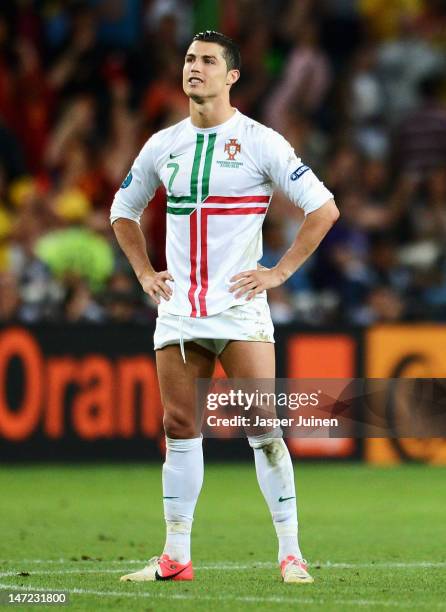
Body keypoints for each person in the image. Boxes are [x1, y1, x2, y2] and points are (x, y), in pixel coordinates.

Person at [110, 31, 339, 584]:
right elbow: (123, 209)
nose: (195, 68)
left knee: (262, 425)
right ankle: (175, 555)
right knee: (179, 424)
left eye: (208, 61)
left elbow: (323, 208)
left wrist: (279, 272)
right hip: (179, 308)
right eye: (190, 59)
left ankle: (290, 552)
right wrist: (143, 272)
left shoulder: (263, 142)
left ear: (231, 76)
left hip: (239, 309)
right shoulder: (162, 144)